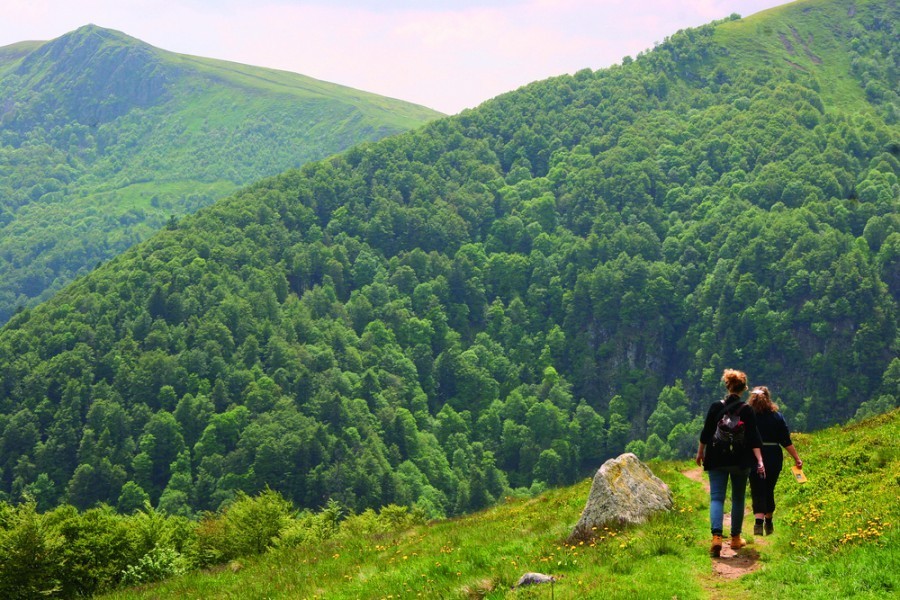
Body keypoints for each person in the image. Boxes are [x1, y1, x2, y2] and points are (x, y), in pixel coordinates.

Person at [695, 369, 765, 557]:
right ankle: (735, 538)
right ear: (744, 389)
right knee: (738, 498)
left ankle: (717, 537)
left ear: (727, 385)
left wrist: (700, 452)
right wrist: (759, 460)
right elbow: (753, 438)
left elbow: (706, 432)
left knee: (717, 497)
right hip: (740, 460)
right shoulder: (747, 410)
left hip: (717, 457)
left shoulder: (716, 407)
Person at [747, 386, 803, 536]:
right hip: (773, 456)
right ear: (768, 398)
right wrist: (796, 458)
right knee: (769, 489)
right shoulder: (776, 417)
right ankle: (769, 522)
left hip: (753, 455)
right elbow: (785, 441)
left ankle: (758, 524)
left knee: (757, 488)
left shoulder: (749, 416)